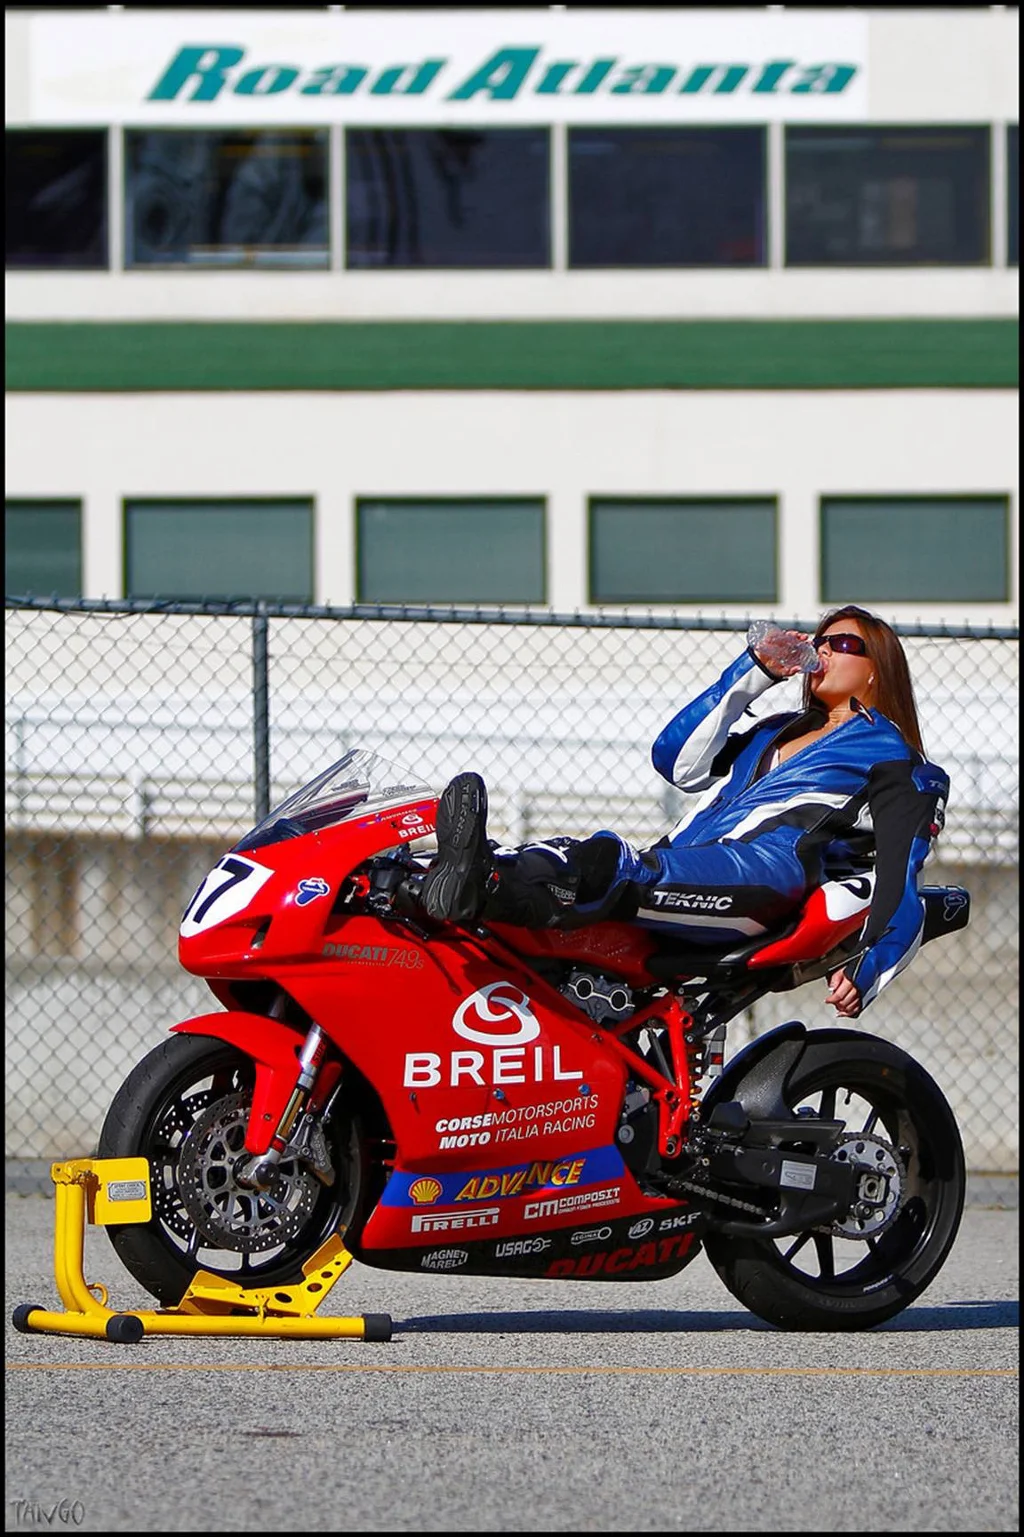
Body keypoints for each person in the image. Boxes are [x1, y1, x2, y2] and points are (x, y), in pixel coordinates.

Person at [417, 605, 949, 1019]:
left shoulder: (891, 755)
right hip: (686, 864)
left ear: (877, 667)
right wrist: (754, 673)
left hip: (765, 876)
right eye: (818, 640)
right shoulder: (773, 730)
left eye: (841, 643)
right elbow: (677, 762)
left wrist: (873, 963)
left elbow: (899, 870)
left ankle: (481, 880)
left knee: (610, 861)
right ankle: (458, 877)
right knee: (564, 897)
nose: (820, 652)